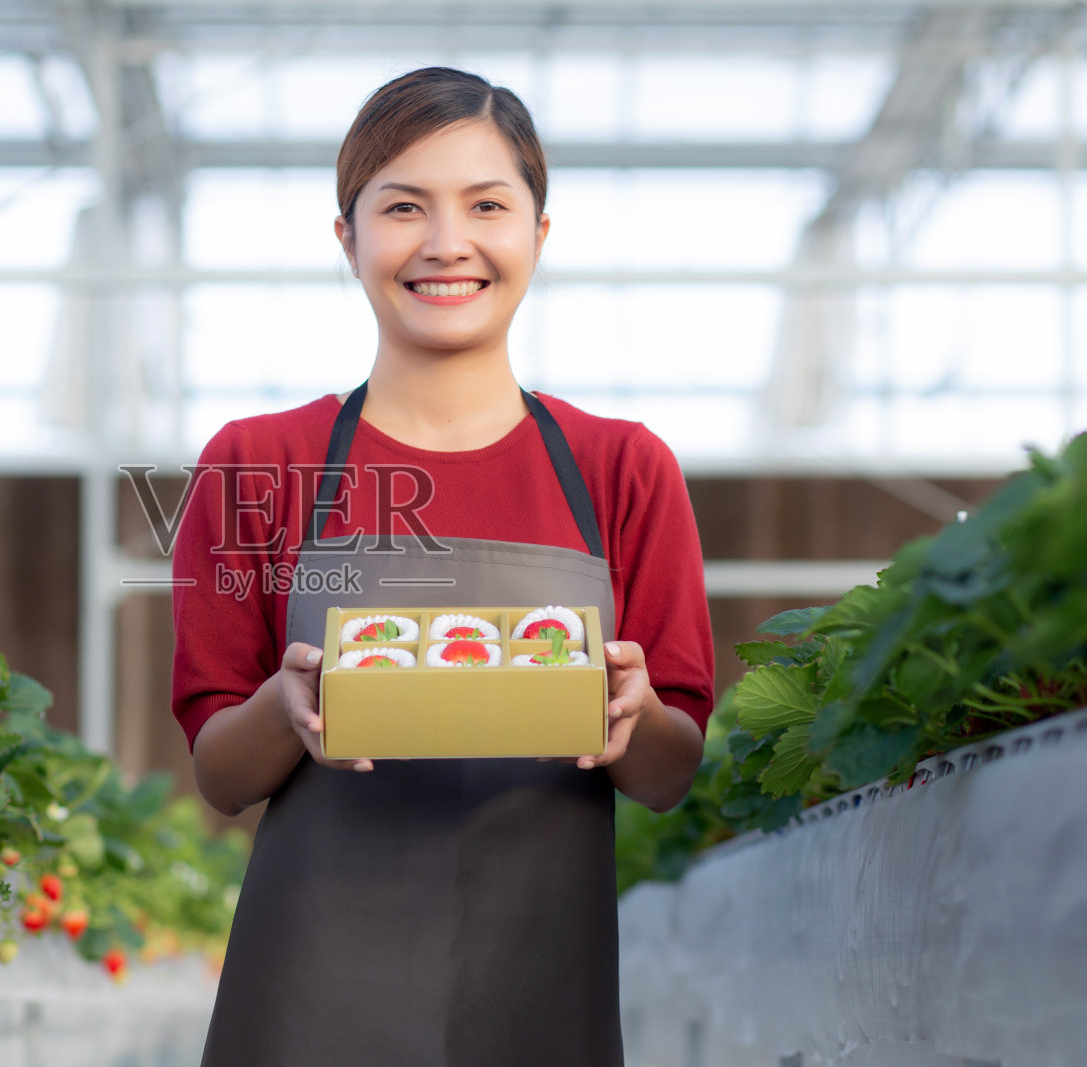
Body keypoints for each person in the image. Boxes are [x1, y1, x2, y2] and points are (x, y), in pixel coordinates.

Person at [170, 66, 714, 1065]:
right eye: (403, 206)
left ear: (539, 233)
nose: (445, 242)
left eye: (487, 205)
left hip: (539, 994)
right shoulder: (257, 463)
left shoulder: (623, 467)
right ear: (348, 236)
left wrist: (634, 713)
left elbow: (669, 774)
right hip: (308, 1003)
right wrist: (282, 708)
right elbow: (220, 771)